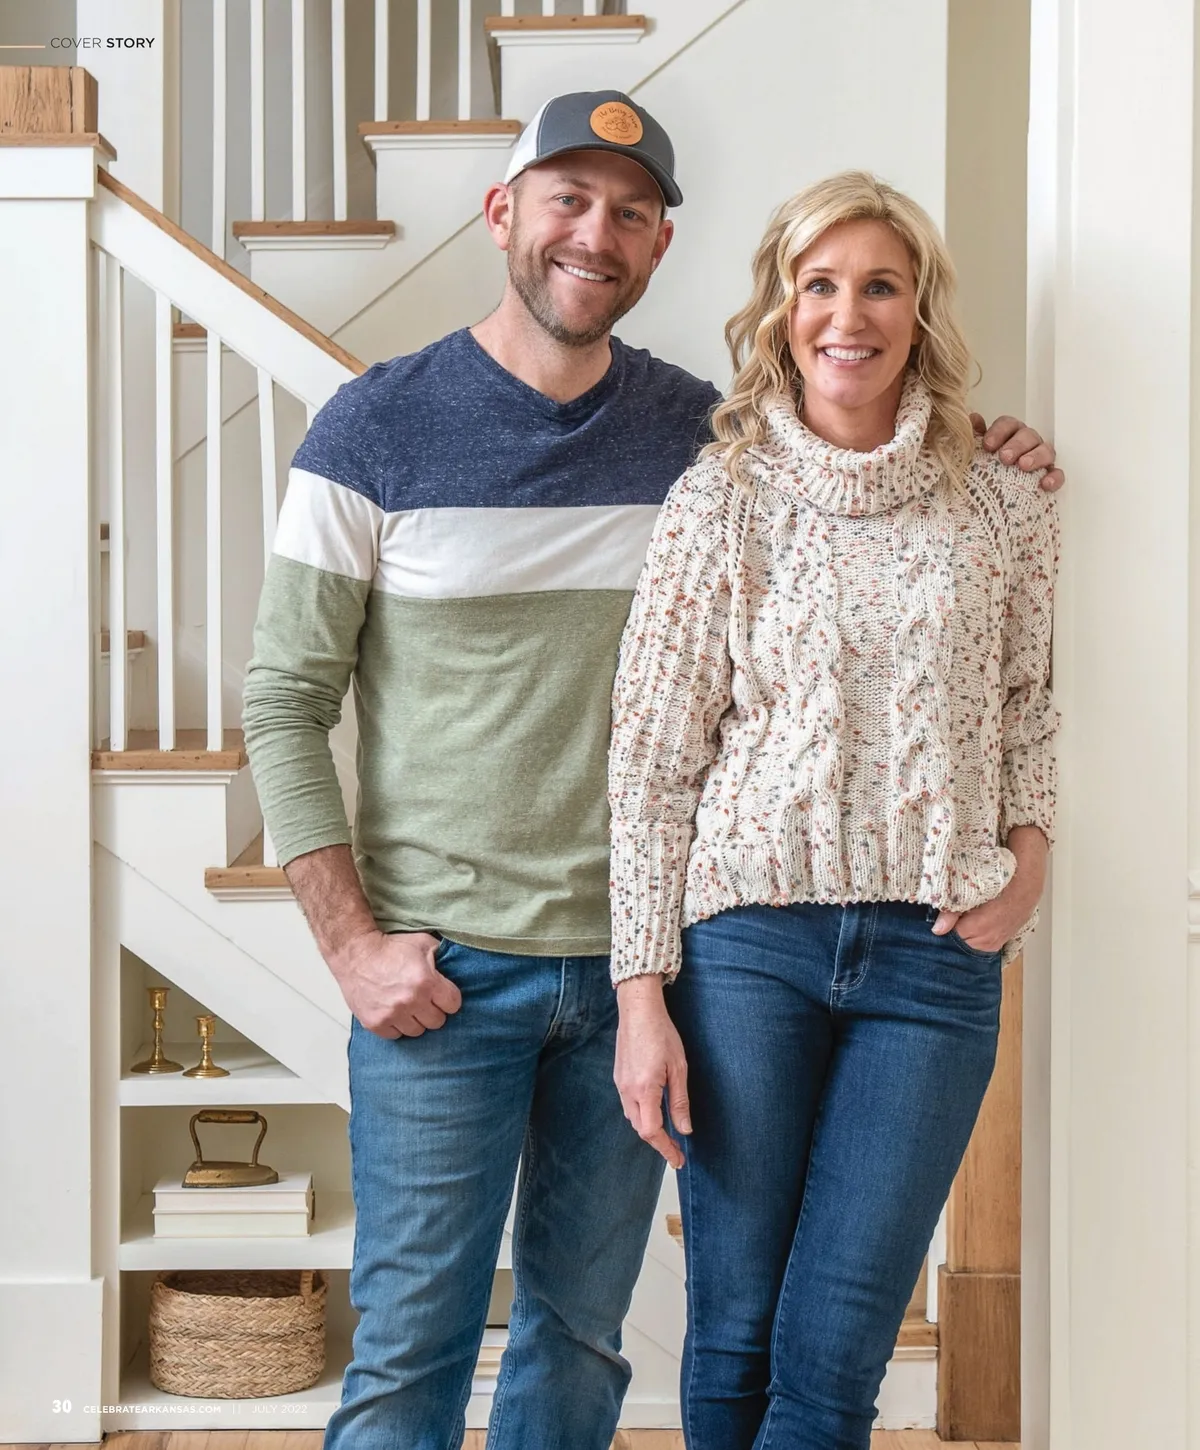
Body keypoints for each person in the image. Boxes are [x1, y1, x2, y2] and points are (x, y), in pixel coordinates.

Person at [243, 86, 1059, 1450]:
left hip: (651, 968)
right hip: (451, 965)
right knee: (411, 1348)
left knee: (580, 1338)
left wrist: (980, 439)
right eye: (566, 199)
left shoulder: (699, 435)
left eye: (629, 211)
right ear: (502, 212)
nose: (594, 232)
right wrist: (349, 943)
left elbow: (848, 451)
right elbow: (282, 699)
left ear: (662, 244)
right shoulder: (373, 429)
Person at [608, 170, 1059, 1450]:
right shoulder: (721, 498)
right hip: (748, 951)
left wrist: (1026, 870)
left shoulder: (1001, 498)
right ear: (782, 307)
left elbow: (1028, 710)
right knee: (736, 1329)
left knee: (834, 1349)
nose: (847, 315)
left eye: (880, 286)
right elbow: (650, 762)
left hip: (936, 961)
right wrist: (641, 995)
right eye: (820, 285)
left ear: (920, 311)